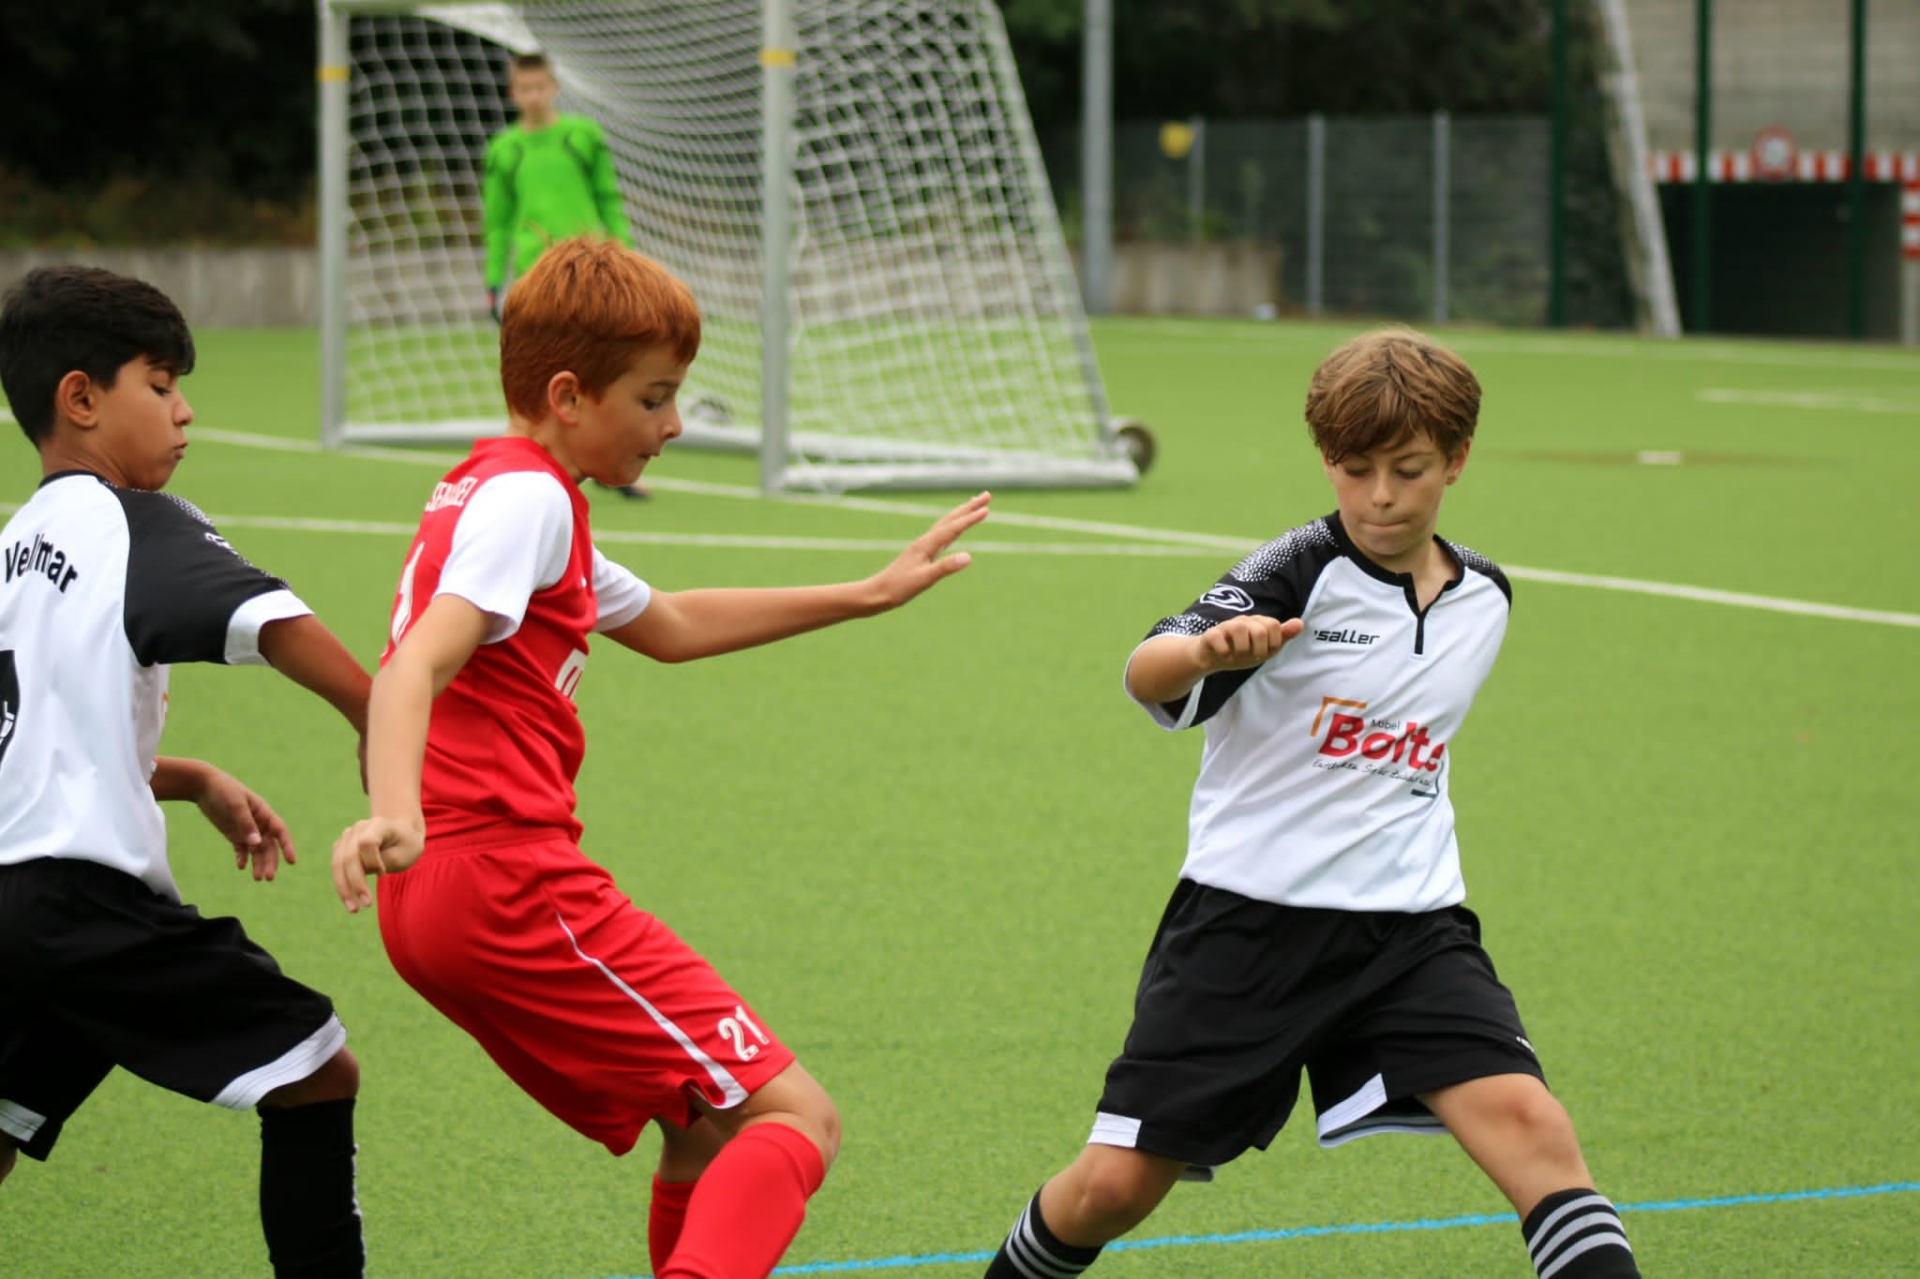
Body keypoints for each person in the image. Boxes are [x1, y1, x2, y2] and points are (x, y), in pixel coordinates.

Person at [330, 237, 989, 1279]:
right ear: (567, 396)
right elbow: (417, 662)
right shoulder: (531, 500)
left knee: (703, 1125)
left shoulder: (497, 488)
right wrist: (395, 811)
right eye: (653, 398)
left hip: (445, 892)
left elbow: (671, 622)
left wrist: (867, 592)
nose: (674, 423)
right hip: (500, 878)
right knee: (798, 1117)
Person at [980, 328, 1641, 1279]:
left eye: (1409, 469)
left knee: (1536, 1132)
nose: (1380, 495)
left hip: (1411, 931)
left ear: (1456, 460)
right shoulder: (1298, 569)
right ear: (1327, 461)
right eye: (1353, 469)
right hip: (1246, 928)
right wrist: (1204, 652)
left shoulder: (1486, 598)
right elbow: (1146, 669)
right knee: (1112, 1189)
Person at [0, 266, 372, 1277]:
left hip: (13, 902)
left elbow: (34, 739)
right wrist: (376, 711)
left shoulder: (13, 546)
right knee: (316, 1069)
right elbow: (274, 621)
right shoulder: (132, 523)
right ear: (82, 398)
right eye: (160, 384)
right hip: (86, 906)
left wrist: (192, 774)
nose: (184, 410)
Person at [483, 50, 649, 501]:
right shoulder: (504, 150)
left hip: (593, 273)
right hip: (537, 277)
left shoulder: (583, 136)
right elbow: (498, 223)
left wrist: (624, 256)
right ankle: (525, 466)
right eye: (525, 88)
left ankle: (619, 464)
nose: (533, 96)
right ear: (513, 93)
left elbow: (608, 198)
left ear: (554, 88)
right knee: (539, 374)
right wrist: (494, 280)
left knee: (608, 369)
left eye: (540, 87)